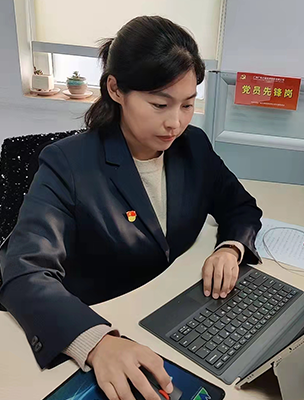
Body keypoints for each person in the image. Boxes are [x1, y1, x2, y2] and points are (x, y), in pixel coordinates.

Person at [0, 16, 262, 400]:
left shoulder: (194, 146)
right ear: (116, 89)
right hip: (106, 319)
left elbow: (240, 205)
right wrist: (96, 342)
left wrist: (230, 248)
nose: (175, 123)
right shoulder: (67, 164)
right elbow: (24, 273)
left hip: (173, 316)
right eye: (160, 104)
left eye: (188, 105)